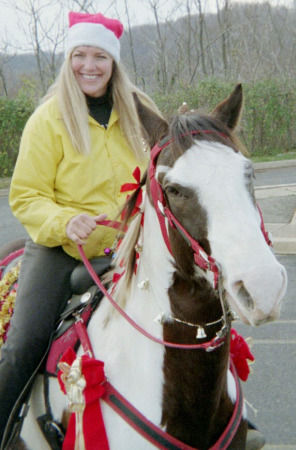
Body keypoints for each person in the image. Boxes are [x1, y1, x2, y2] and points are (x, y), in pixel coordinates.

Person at [0, 11, 160, 448]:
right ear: (68, 59)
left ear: (114, 63)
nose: (89, 66)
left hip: (131, 245)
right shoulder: (48, 118)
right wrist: (65, 221)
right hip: (60, 248)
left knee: (188, 313)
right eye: (80, 55)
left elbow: (160, 174)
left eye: (99, 57)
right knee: (25, 344)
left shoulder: (140, 112)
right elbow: (27, 195)